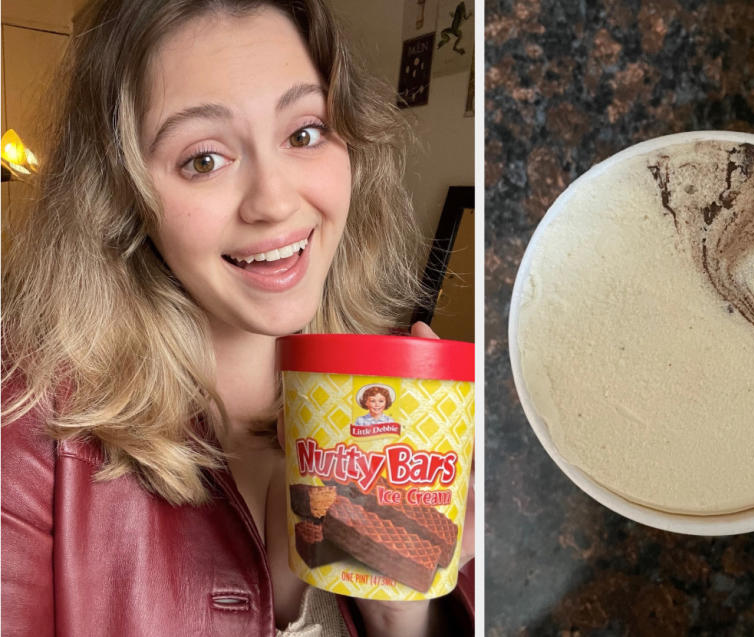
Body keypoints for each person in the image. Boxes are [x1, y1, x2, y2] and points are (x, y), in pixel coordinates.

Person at [0, 0, 473, 635]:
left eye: (304, 133)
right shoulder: (27, 425)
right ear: (123, 193)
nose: (275, 202)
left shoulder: (410, 417)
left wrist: (402, 613)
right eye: (204, 159)